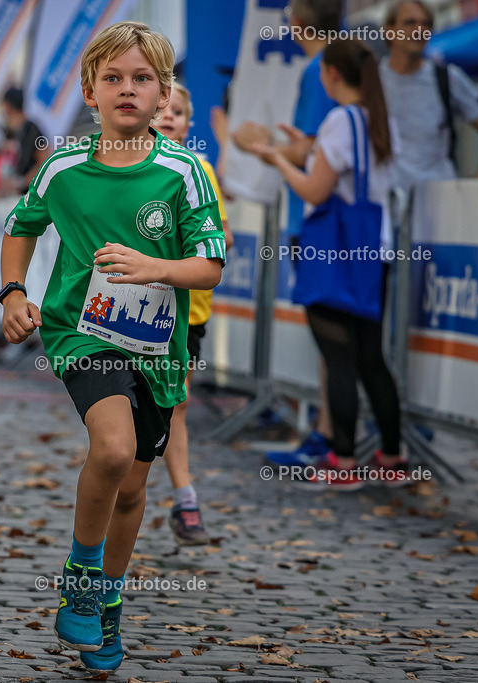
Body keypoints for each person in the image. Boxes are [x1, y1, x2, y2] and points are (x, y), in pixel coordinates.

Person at [1, 22, 226, 674]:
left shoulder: (185, 172)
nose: (128, 89)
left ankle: (109, 602)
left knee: (131, 489)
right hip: (80, 331)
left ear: (163, 94)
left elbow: (209, 265)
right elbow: (21, 226)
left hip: (158, 348)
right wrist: (14, 293)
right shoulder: (64, 167)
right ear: (89, 90)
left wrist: (155, 268)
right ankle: (82, 571)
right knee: (114, 447)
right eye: (114, 78)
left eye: (142, 78)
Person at [251, 39, 407, 490]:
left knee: (337, 358)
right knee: (371, 358)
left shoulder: (340, 119)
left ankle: (342, 461)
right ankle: (392, 459)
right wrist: (308, 148)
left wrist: (280, 159)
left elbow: (316, 191)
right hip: (374, 251)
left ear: (332, 74)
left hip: (333, 252)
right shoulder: (379, 119)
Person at [233, 0, 341, 467]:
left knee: (334, 340)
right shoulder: (328, 67)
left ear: (296, 24)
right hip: (321, 218)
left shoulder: (320, 69)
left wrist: (258, 146)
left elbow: (311, 152)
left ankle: (330, 438)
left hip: (316, 218)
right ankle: (330, 435)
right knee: (336, 340)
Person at [154, 81, 233, 545]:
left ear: (189, 125)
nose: (168, 117)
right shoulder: (129, 167)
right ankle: (127, 494)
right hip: (130, 312)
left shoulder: (201, 170)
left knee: (176, 402)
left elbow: (220, 237)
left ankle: (185, 502)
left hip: (188, 315)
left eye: (178, 112)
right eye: (162, 109)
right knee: (138, 410)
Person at [379, 0, 478, 189]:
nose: (419, 30)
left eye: (426, 24)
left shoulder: (447, 78)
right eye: (409, 23)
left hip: (438, 203)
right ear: (389, 31)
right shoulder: (371, 79)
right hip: (387, 203)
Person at [2, 86, 49, 194]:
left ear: (8, 106)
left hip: (36, 194)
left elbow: (45, 161)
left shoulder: (32, 129)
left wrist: (22, 182)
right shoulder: (15, 132)